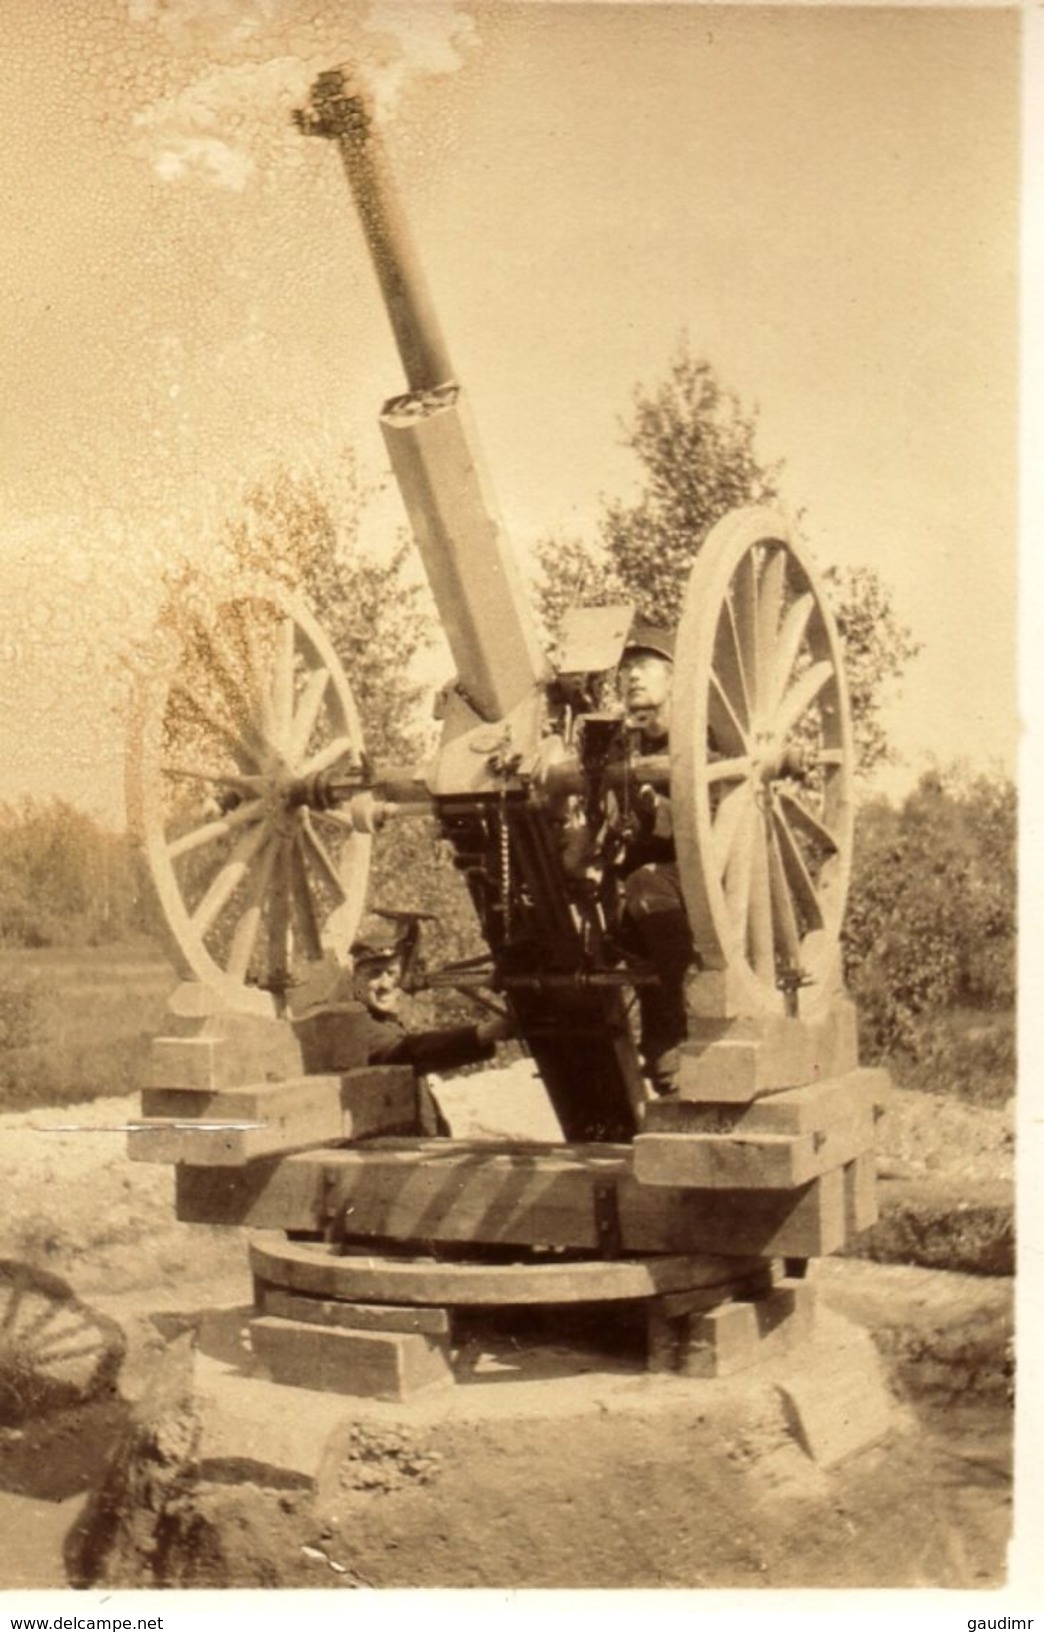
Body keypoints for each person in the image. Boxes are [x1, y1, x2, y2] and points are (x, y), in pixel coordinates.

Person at [614, 620, 696, 1096]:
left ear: (673, 679)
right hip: (642, 888)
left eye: (645, 666)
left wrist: (657, 808)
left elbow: (717, 819)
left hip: (697, 881)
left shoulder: (699, 736)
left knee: (648, 887)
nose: (633, 677)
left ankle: (672, 1032)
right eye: (626, 669)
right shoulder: (622, 743)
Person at [292, 916, 511, 1076]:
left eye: (391, 973)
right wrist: (484, 1033)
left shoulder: (385, 1020)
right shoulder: (355, 1026)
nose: (386, 985)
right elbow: (405, 1051)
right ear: (355, 978)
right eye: (375, 974)